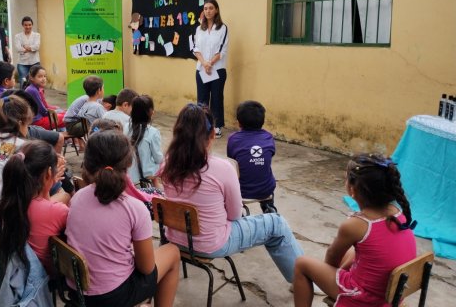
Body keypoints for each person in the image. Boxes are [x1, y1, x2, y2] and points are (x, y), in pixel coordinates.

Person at [159, 104, 303, 284]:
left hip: (175, 238)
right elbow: (235, 214)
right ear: (212, 135)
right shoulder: (222, 168)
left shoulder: (166, 164)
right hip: (212, 244)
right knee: (277, 223)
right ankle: (302, 281)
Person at [66, 130, 180, 307]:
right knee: (172, 251)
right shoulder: (135, 208)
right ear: (128, 165)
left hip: (78, 292)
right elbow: (147, 268)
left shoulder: (77, 198)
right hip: (113, 296)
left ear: (87, 164)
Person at [292, 154, 417, 307]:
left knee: (302, 264)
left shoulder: (356, 225)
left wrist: (330, 275)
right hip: (391, 295)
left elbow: (331, 258)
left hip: (365, 299)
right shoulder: (397, 212)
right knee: (354, 252)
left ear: (352, 189)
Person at [0, 140, 69, 277]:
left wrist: (47, 185)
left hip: (22, 270)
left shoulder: (11, 201)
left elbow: (42, 206)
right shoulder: (58, 211)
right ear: (48, 173)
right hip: (49, 275)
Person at [227, 100, 278, 213]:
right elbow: (271, 154)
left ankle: (238, 213)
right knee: (266, 173)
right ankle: (268, 207)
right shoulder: (268, 137)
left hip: (242, 191)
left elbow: (232, 162)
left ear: (239, 122)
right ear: (262, 121)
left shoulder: (233, 139)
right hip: (266, 189)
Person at [192, 0, 229, 139]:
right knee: (202, 99)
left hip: (218, 69)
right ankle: (203, 126)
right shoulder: (198, 29)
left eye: (211, 8)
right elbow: (195, 48)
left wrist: (210, 64)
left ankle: (216, 126)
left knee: (216, 98)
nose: (208, 11)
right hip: (201, 69)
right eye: (206, 8)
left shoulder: (222, 28)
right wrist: (204, 63)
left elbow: (222, 50)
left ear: (216, 10)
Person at [125, 95, 163, 187]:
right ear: (151, 112)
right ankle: (156, 191)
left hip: (129, 172)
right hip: (147, 174)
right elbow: (158, 158)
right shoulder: (153, 132)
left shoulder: (126, 127)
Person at [24, 65, 65, 130]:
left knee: (65, 114)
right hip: (37, 121)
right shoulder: (32, 90)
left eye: (45, 76)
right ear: (31, 77)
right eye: (40, 76)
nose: (43, 79)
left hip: (39, 118)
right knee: (68, 117)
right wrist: (55, 114)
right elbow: (43, 111)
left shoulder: (35, 88)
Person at [13, 16, 40, 89]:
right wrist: (31, 48)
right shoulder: (18, 36)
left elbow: (37, 46)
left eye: (29, 25)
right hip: (22, 63)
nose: (28, 27)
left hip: (35, 62)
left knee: (36, 81)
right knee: (23, 81)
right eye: (26, 25)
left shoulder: (37, 35)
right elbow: (18, 48)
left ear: (32, 25)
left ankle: (34, 97)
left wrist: (24, 47)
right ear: (23, 25)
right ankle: (23, 97)